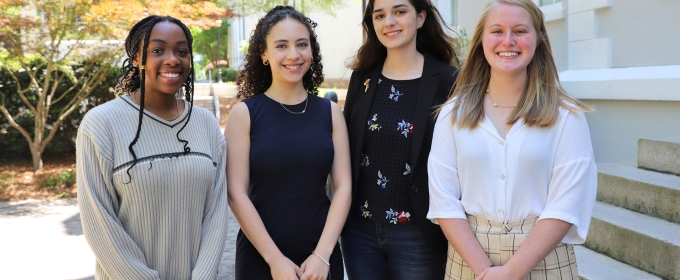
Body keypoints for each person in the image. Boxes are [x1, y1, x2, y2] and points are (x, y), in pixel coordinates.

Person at [427, 0, 597, 279]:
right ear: (482, 40)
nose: (508, 41)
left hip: (544, 256)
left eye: (520, 31)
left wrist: (513, 271)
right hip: (469, 257)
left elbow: (566, 204)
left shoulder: (568, 117)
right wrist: (485, 271)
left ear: (538, 39)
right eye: (497, 31)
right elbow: (444, 199)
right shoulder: (452, 114)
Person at [76, 15, 228, 279]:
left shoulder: (206, 123)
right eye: (158, 50)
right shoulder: (100, 124)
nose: (172, 59)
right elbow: (99, 223)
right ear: (137, 58)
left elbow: (216, 214)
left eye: (181, 51)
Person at [225, 6, 351, 280]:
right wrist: (275, 260)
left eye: (301, 44)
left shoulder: (330, 114)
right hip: (261, 257)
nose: (293, 55)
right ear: (264, 54)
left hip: (320, 257)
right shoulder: (244, 114)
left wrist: (322, 255)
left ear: (311, 51)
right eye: (281, 46)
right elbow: (236, 193)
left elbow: (343, 188)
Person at [340, 0, 459, 278]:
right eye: (379, 15)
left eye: (400, 11)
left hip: (419, 233)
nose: (389, 22)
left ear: (420, 18)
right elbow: (347, 148)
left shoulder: (448, 80)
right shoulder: (363, 78)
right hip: (360, 231)